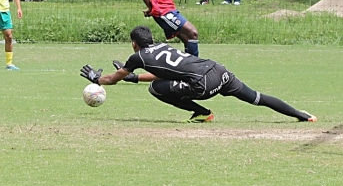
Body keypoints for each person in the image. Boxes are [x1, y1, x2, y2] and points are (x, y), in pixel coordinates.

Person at [80, 25, 316, 124]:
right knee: (256, 97)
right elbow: (169, 72)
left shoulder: (138, 57)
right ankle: (301, 115)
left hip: (202, 84)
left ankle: (202, 113)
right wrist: (134, 78)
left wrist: (96, 78)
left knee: (155, 89)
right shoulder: (162, 46)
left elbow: (110, 79)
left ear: (134, 44)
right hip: (218, 70)